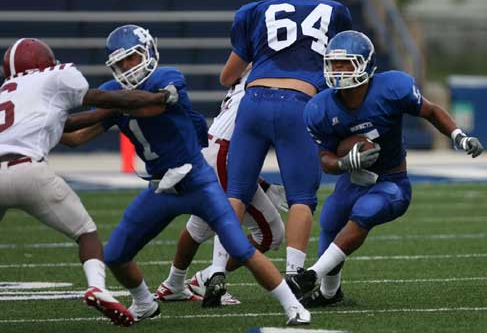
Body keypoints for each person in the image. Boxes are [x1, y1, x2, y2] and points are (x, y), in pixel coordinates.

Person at [61, 24, 311, 325]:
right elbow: (77, 135)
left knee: (241, 247)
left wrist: (98, 99)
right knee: (115, 255)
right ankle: (145, 302)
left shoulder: (167, 77)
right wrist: (42, 124)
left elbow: (145, 106)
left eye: (133, 58)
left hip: (197, 181)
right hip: (161, 188)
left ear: (149, 53)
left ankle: (293, 306)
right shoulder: (114, 95)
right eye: (121, 63)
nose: (128, 67)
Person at [286, 30, 484, 306]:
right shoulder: (319, 108)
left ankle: (310, 276)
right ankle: (330, 293)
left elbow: (431, 111)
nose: (338, 70)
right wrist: (345, 162)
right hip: (353, 180)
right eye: (334, 63)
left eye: (346, 63)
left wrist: (459, 136)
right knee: (331, 217)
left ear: (366, 64)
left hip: (392, 181)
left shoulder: (392, 88)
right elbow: (325, 160)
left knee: (365, 212)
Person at [0, 38, 179, 327]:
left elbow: (65, 125)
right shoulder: (55, 76)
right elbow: (105, 99)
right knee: (86, 233)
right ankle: (97, 286)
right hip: (27, 170)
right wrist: (156, 98)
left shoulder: (6, 92)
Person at [219, 0, 353, 287]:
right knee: (301, 198)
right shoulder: (333, 10)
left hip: (254, 102)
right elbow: (342, 63)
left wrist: (261, 57)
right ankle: (293, 273)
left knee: (235, 194)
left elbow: (227, 78)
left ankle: (216, 272)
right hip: (300, 104)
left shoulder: (253, 12)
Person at [154, 68, 288, 307]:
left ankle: (174, 284)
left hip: (213, 145)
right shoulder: (275, 71)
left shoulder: (254, 69)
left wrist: (263, 184)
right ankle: (209, 277)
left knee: (200, 224)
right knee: (269, 233)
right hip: (227, 151)